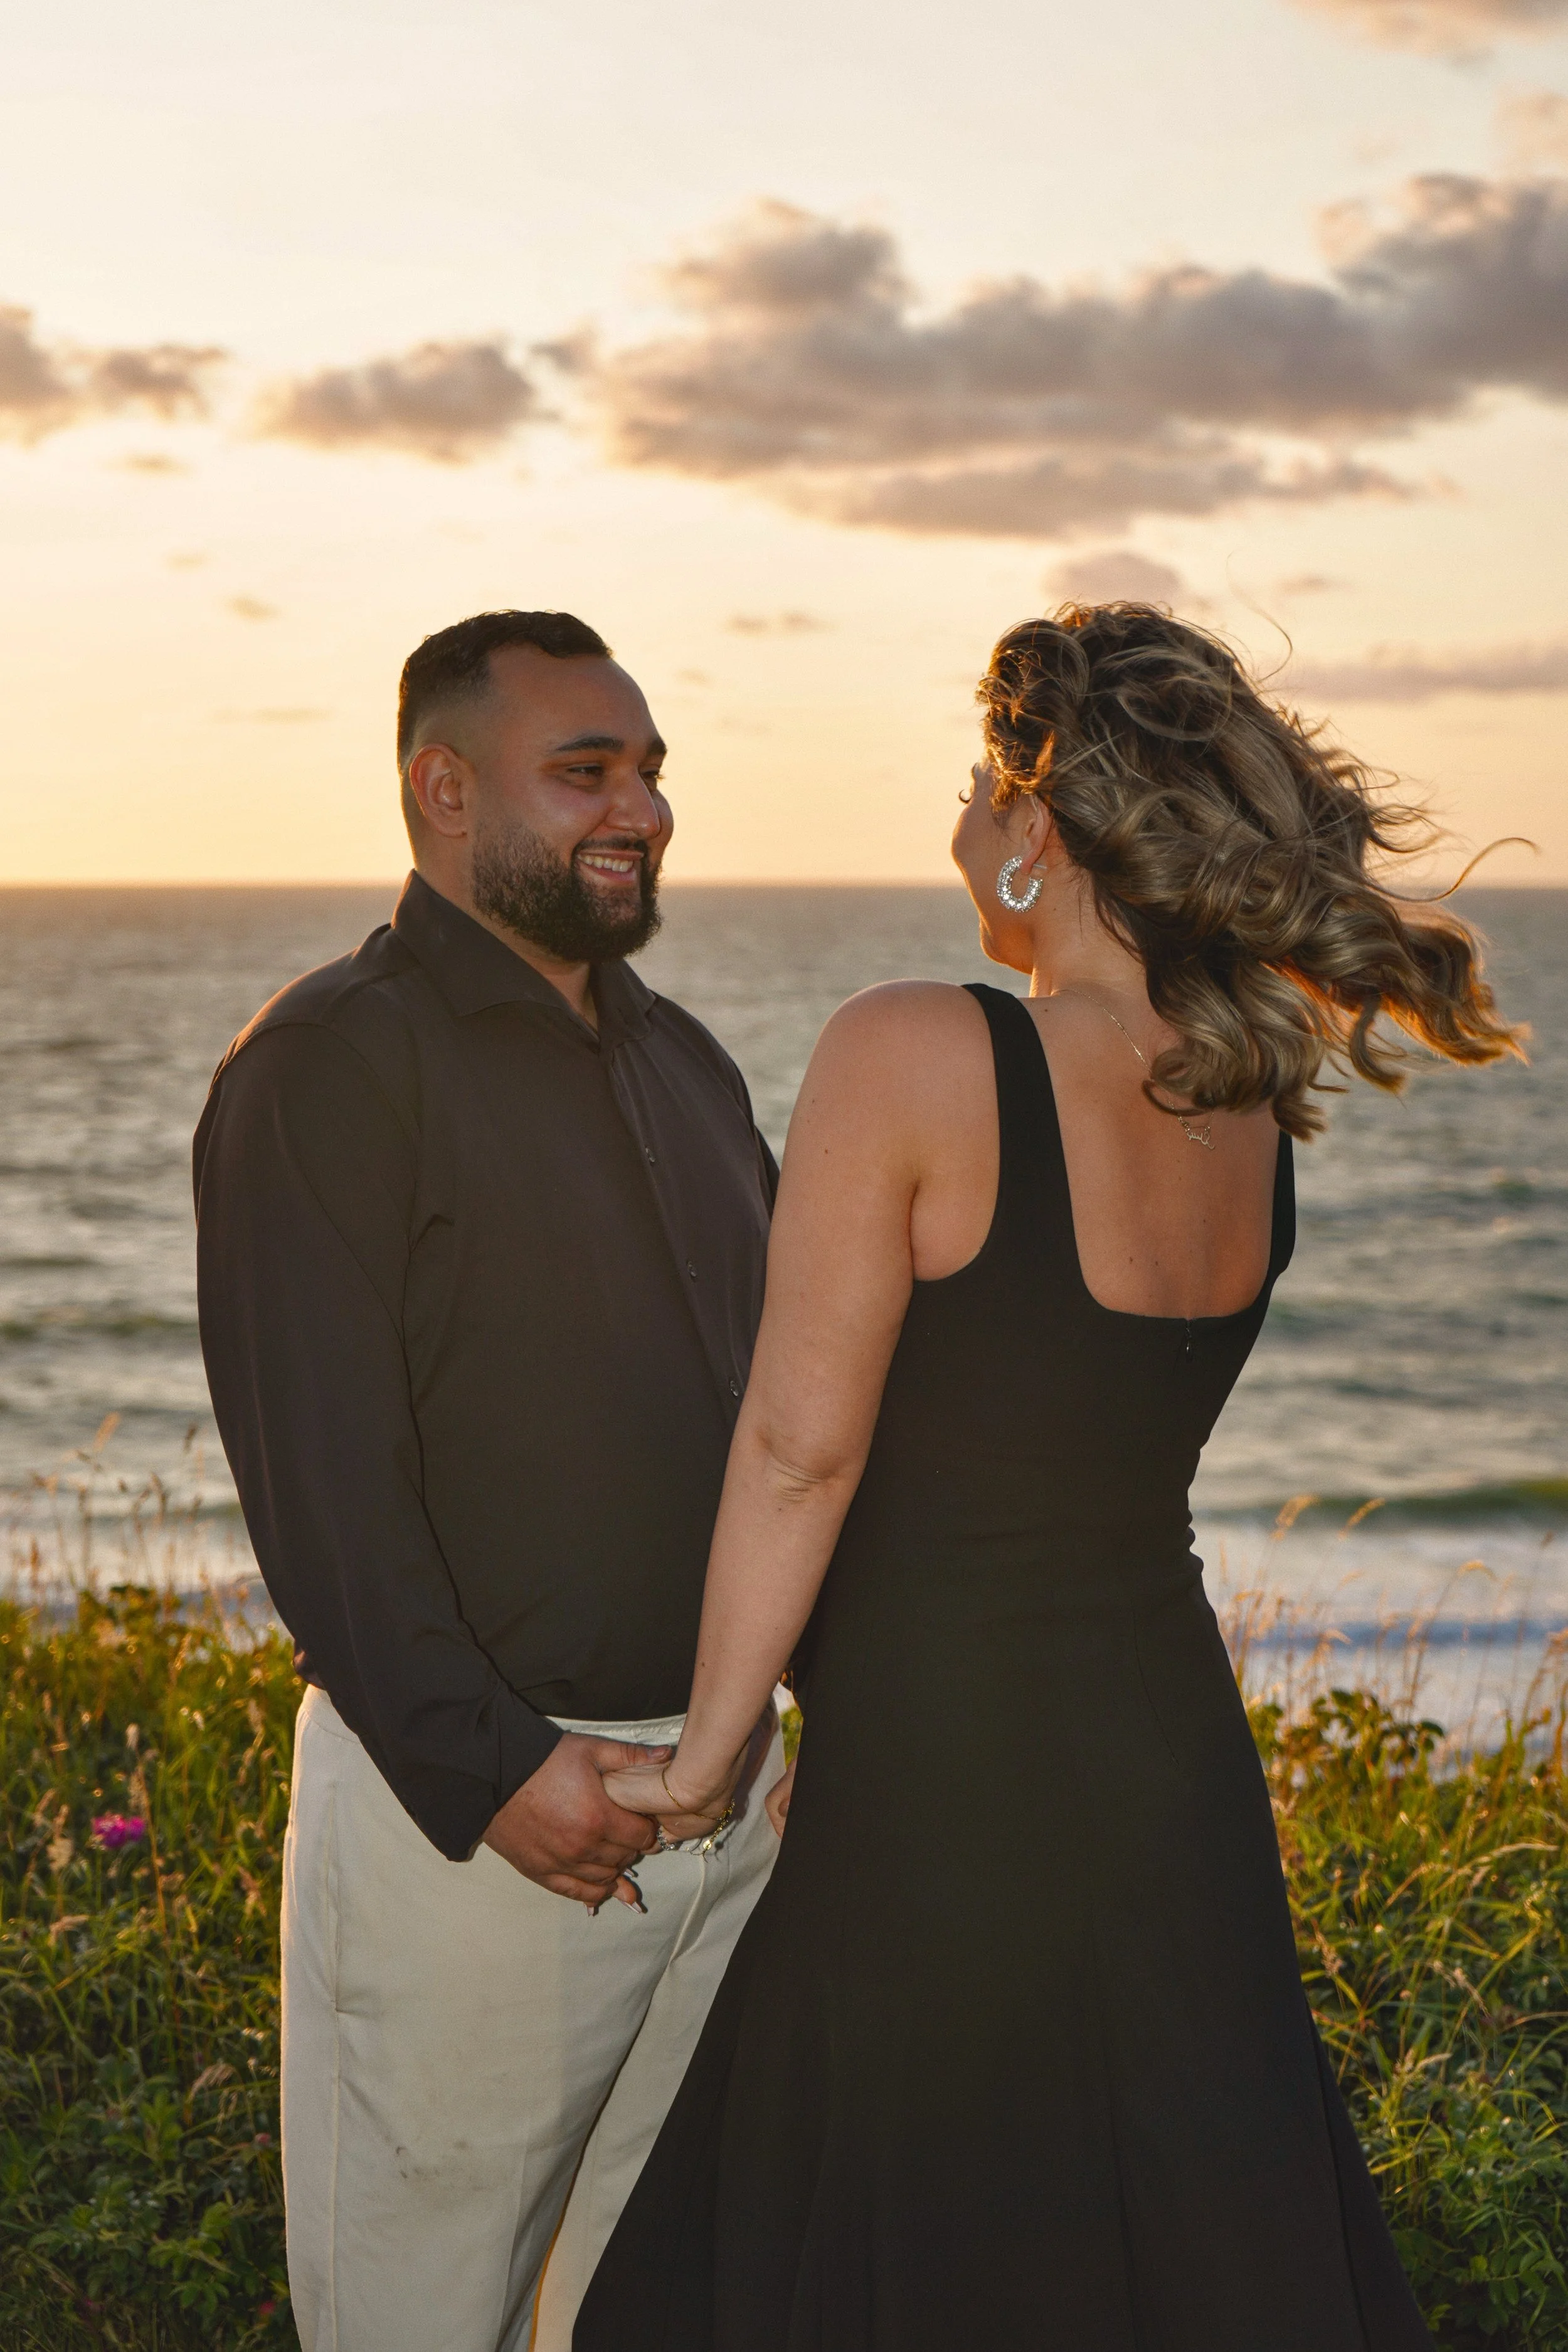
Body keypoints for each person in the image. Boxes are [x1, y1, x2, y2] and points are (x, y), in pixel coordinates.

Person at [575, 603, 1522, 2351]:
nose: (954, 809)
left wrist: (710, 1754)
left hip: (949, 1781)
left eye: (974, 776)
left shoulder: (915, 1049)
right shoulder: (1245, 1096)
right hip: (1162, 1767)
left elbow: (801, 1443)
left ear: (1035, 823)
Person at [193, 610, 785, 2352]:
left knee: (632, 2310)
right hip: (478, 1834)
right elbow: (320, 1484)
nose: (643, 808)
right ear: (442, 792)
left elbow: (774, 1426)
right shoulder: (324, 1063)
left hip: (718, 1810)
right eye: (586, 770)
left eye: (652, 770)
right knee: (416, 2315)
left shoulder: (687, 1065)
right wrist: (498, 1767)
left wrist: (779, 1729)